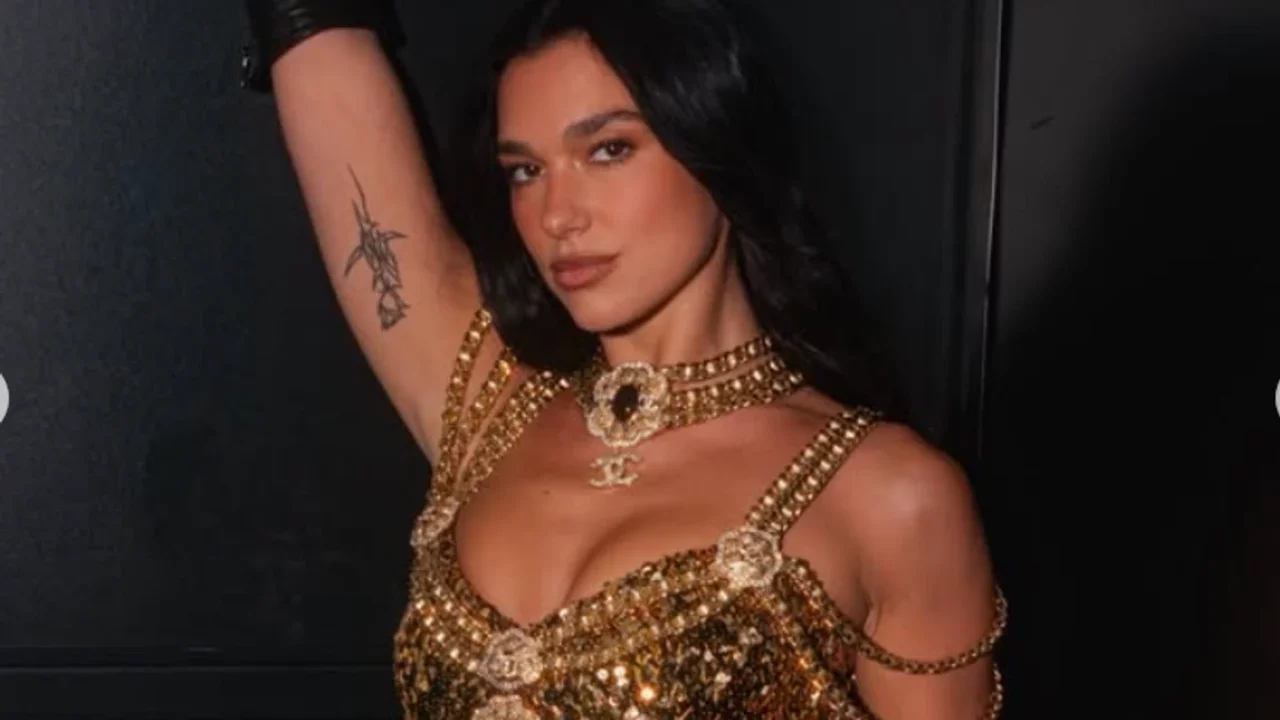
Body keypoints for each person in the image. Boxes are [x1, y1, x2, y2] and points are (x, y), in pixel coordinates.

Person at [242, 1, 1006, 717]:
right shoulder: (488, 406)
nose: (557, 216)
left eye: (608, 150)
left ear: (716, 146)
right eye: (525, 170)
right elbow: (325, 69)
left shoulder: (888, 497)